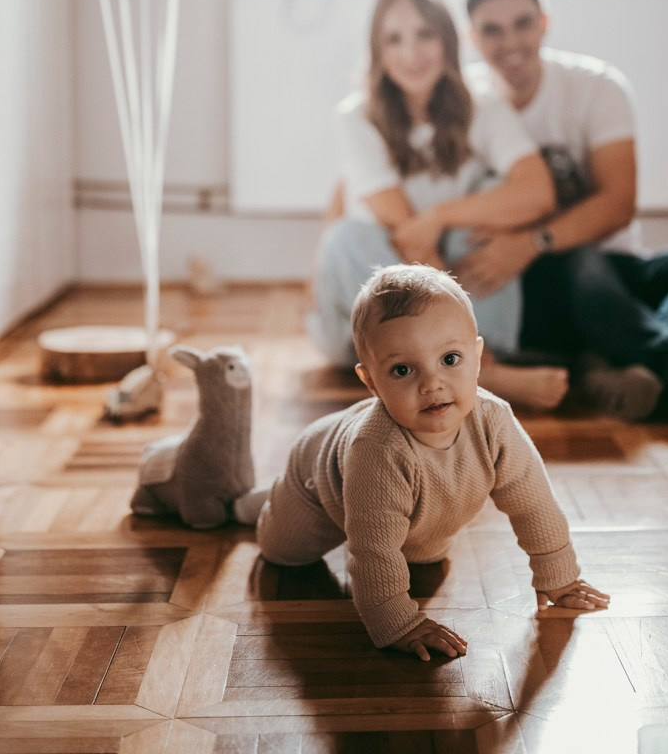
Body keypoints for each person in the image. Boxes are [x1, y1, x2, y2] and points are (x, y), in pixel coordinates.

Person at [414, 0, 668, 423]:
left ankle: (610, 374)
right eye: (492, 30)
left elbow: (618, 205)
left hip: (617, 273)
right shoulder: (462, 103)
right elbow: (384, 165)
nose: (509, 41)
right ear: (471, 37)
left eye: (522, 24)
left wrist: (533, 241)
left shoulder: (597, 87)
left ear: (545, 23)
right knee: (578, 257)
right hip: (532, 292)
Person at [252, 264, 609, 659]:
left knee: (421, 553)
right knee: (282, 550)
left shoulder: (494, 420)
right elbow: (373, 553)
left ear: (477, 357)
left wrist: (559, 576)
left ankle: (276, 496)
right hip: (315, 486)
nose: (431, 384)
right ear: (371, 382)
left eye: (450, 359)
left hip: (417, 509)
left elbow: (534, 502)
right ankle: (257, 501)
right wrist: (398, 622)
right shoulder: (376, 451)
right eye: (402, 370)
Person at [308, 0, 569, 411]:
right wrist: (430, 232)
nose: (410, 53)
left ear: (448, 39)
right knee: (350, 238)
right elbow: (408, 236)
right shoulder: (356, 117)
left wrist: (443, 217)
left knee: (491, 198)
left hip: (454, 301)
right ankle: (479, 372)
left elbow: (538, 192)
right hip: (369, 326)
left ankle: (468, 359)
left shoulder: (482, 106)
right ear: (378, 49)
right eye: (394, 39)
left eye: (424, 34)